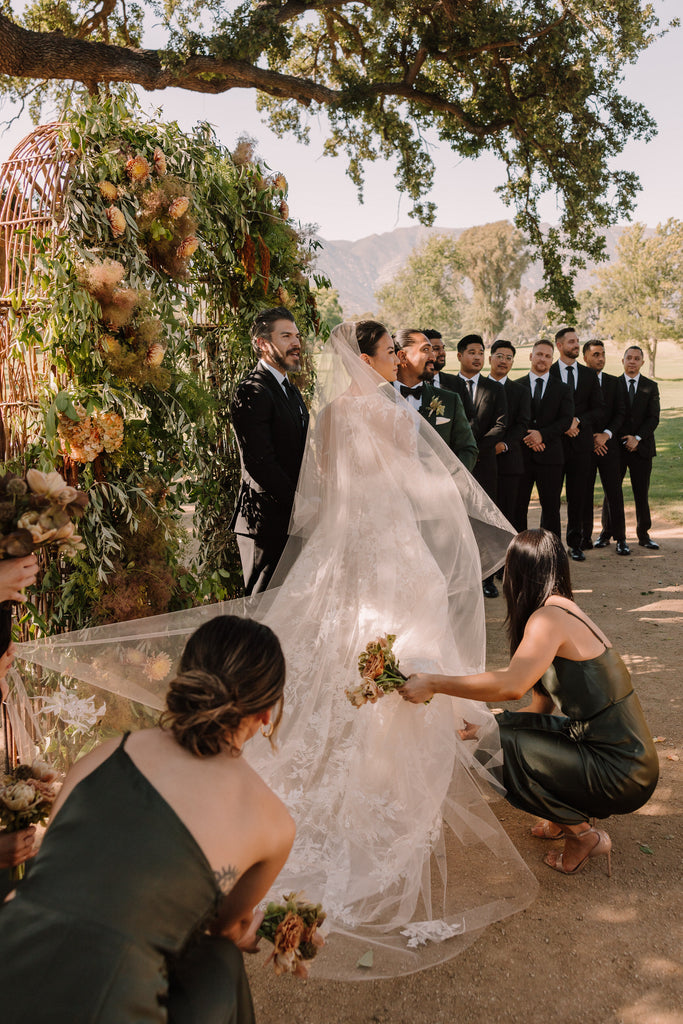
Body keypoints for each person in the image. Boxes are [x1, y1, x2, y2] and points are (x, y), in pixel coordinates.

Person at [16, 322, 536, 980]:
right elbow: (415, 486)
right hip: (391, 545)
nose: (399, 357)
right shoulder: (391, 411)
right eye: (389, 350)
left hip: (342, 546)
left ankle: (322, 755)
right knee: (405, 637)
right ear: (372, 356)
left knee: (325, 644)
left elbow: (315, 491)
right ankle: (395, 777)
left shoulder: (328, 414)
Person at [0, 615, 295, 1022]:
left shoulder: (106, 753)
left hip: (9, 953)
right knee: (220, 959)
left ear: (185, 676)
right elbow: (224, 929)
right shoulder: (274, 823)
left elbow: (53, 864)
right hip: (103, 1006)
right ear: (266, 713)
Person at [400, 529, 659, 876]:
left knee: (496, 744)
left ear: (517, 574)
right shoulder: (563, 610)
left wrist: (434, 683)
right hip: (618, 756)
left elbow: (511, 686)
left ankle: (581, 835)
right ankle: (564, 813)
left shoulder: (546, 620)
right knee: (496, 730)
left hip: (620, 770)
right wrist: (486, 725)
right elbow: (540, 706)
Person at [229, 307, 309, 594]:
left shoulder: (291, 390)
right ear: (262, 343)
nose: (296, 343)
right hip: (264, 522)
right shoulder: (253, 390)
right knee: (262, 608)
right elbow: (259, 461)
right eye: (286, 336)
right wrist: (299, 503)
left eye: (297, 336)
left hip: (293, 519)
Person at [456, 334, 508, 598]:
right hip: (453, 464)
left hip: (486, 463)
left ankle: (487, 578)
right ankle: (459, 576)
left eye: (480, 352)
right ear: (460, 356)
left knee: (485, 520)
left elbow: (500, 425)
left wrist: (475, 448)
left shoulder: (495, 388)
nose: (476, 357)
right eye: (471, 352)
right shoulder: (447, 384)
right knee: (457, 518)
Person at [550, 328, 605, 561]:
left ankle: (575, 543)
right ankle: (552, 545)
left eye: (577, 341)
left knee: (578, 495)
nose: (576, 345)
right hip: (554, 444)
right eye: (571, 342)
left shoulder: (589, 375)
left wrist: (578, 421)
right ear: (559, 345)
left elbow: (599, 408)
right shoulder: (548, 372)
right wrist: (564, 424)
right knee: (551, 497)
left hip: (581, 445)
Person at [600, 346, 660, 550]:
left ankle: (643, 534)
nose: (632, 361)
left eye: (636, 358)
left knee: (641, 492)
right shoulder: (613, 384)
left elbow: (653, 418)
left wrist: (637, 438)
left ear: (642, 362)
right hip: (616, 448)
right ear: (623, 361)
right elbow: (610, 415)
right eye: (629, 358)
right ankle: (606, 532)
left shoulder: (651, 386)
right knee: (612, 492)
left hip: (641, 449)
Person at [394, 328, 478, 471]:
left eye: (432, 350)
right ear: (402, 356)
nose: (433, 356)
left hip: (440, 490)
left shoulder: (450, 400)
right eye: (426, 350)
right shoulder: (375, 397)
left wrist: (452, 483)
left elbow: (468, 449)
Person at [515, 339, 574, 540]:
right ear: (531, 356)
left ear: (552, 360)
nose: (543, 359)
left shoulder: (562, 389)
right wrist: (529, 437)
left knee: (551, 508)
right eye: (539, 354)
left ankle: (551, 553)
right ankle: (519, 553)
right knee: (518, 507)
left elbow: (566, 420)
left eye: (547, 356)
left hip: (551, 457)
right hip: (522, 457)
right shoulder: (516, 386)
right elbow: (512, 420)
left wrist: (542, 435)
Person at [581, 340, 629, 555]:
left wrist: (606, 436)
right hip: (585, 446)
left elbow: (621, 413)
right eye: (595, 354)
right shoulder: (578, 381)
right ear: (585, 358)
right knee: (584, 493)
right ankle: (584, 538)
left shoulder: (614, 382)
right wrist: (592, 438)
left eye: (602, 354)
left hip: (610, 447)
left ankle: (620, 539)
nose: (600, 358)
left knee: (615, 494)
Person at [488, 340, 531, 536]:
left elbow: (522, 424)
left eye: (509, 358)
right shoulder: (477, 386)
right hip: (482, 461)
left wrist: (504, 445)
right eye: (499, 356)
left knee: (511, 514)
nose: (504, 361)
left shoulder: (520, 391)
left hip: (510, 461)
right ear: (490, 359)